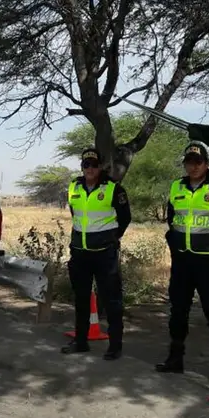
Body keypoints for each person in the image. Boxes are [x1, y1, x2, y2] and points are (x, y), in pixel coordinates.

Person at [155, 141, 209, 386]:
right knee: (178, 309)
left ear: (206, 164)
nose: (193, 167)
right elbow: (173, 218)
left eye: (198, 162)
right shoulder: (177, 187)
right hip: (183, 260)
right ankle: (175, 359)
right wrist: (172, 241)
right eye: (189, 163)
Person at [62, 147, 132, 361]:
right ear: (82, 167)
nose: (90, 169)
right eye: (86, 165)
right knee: (81, 299)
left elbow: (125, 218)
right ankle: (81, 341)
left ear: (100, 167)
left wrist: (111, 238)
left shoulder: (113, 189)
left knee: (111, 300)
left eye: (93, 165)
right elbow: (76, 215)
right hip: (80, 253)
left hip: (104, 255)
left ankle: (115, 345)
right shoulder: (74, 186)